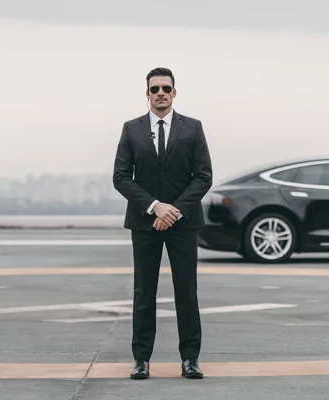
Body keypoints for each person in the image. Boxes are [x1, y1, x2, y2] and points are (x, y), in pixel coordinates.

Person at [112, 67, 213, 380]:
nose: (160, 94)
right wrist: (155, 208)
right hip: (144, 224)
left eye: (165, 89)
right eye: (154, 89)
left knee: (186, 291)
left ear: (174, 93)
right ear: (147, 93)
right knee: (144, 293)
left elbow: (204, 176)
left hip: (183, 224)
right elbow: (120, 177)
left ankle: (190, 360)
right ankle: (141, 360)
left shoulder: (193, 128)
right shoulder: (131, 129)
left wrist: (174, 211)